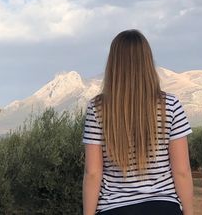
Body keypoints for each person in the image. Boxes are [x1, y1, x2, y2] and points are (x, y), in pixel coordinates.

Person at [82, 29, 194, 215]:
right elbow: (182, 171)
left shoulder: (98, 109)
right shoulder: (171, 106)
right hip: (164, 207)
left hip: (115, 208)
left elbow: (93, 174)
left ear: (113, 64)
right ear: (148, 62)